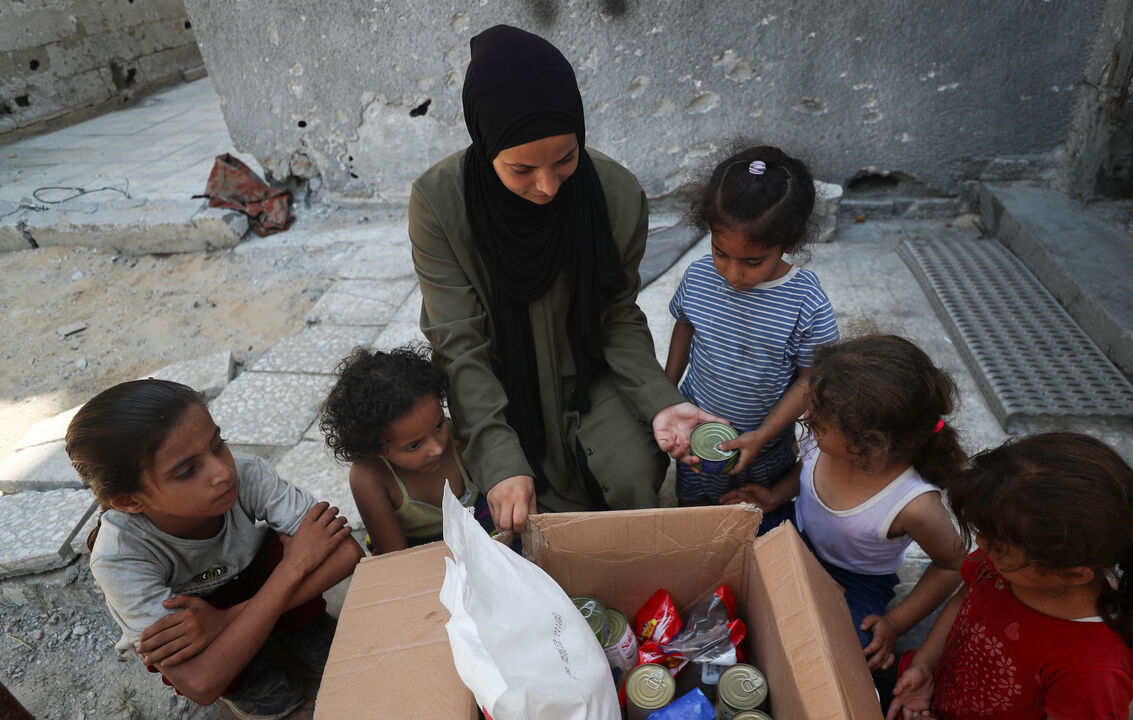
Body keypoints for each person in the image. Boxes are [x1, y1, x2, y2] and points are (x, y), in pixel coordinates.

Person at [409, 24, 720, 533]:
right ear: (486, 146)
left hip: (589, 376)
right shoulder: (439, 205)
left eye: (566, 159)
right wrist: (498, 453)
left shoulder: (615, 194)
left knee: (635, 477)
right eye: (521, 170)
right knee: (519, 501)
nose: (548, 186)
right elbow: (459, 344)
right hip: (501, 386)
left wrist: (662, 404)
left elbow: (616, 314)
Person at [66, 379, 364, 720]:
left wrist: (224, 620)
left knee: (338, 646)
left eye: (218, 444)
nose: (223, 471)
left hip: (238, 595)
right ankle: (250, 677)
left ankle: (296, 629)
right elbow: (201, 682)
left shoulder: (248, 475)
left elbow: (347, 553)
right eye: (189, 470)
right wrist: (292, 568)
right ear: (129, 500)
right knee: (193, 648)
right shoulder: (119, 557)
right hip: (196, 623)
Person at [887, 432, 1133, 720]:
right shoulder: (1005, 561)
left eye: (997, 545)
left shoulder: (1093, 670)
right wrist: (924, 666)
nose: (981, 545)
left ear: (1074, 573)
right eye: (984, 533)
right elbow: (964, 597)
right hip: (931, 691)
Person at [721, 334, 967, 671]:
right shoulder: (821, 441)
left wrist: (896, 623)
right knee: (722, 550)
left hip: (856, 581)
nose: (805, 417)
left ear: (869, 443)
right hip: (793, 529)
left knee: (847, 656)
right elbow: (804, 471)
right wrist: (775, 496)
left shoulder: (913, 503)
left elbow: (951, 565)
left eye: (819, 420)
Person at [664, 145, 838, 505]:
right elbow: (685, 325)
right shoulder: (698, 277)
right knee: (698, 509)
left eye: (752, 261)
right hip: (701, 431)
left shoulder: (806, 301)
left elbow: (809, 380)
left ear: (787, 243)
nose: (732, 274)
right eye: (720, 252)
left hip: (767, 443)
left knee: (752, 512)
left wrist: (761, 436)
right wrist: (667, 388)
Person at [320, 343, 493, 553]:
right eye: (414, 445)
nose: (437, 448)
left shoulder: (459, 438)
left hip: (478, 530)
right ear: (375, 448)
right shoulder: (369, 477)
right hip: (415, 551)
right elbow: (395, 556)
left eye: (438, 425)